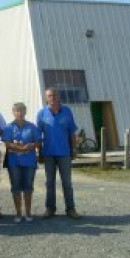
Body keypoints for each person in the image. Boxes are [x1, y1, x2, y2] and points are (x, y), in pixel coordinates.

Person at [36, 89, 81, 219]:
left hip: (64, 153)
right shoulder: (41, 113)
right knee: (49, 183)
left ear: (59, 96)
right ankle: (50, 209)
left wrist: (73, 149)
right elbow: (38, 135)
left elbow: (72, 132)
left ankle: (71, 209)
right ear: (46, 99)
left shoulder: (67, 111)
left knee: (67, 183)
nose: (53, 97)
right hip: (48, 153)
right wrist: (39, 153)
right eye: (50, 95)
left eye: (55, 95)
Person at [2, 103, 42, 223]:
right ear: (13, 112)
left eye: (22, 111)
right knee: (16, 187)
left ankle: (28, 212)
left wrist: (30, 146)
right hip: (14, 162)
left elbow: (38, 143)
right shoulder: (9, 127)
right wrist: (21, 148)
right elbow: (7, 144)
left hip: (29, 162)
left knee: (28, 187)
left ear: (25, 112)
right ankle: (18, 213)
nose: (19, 113)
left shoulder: (32, 127)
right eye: (17, 111)